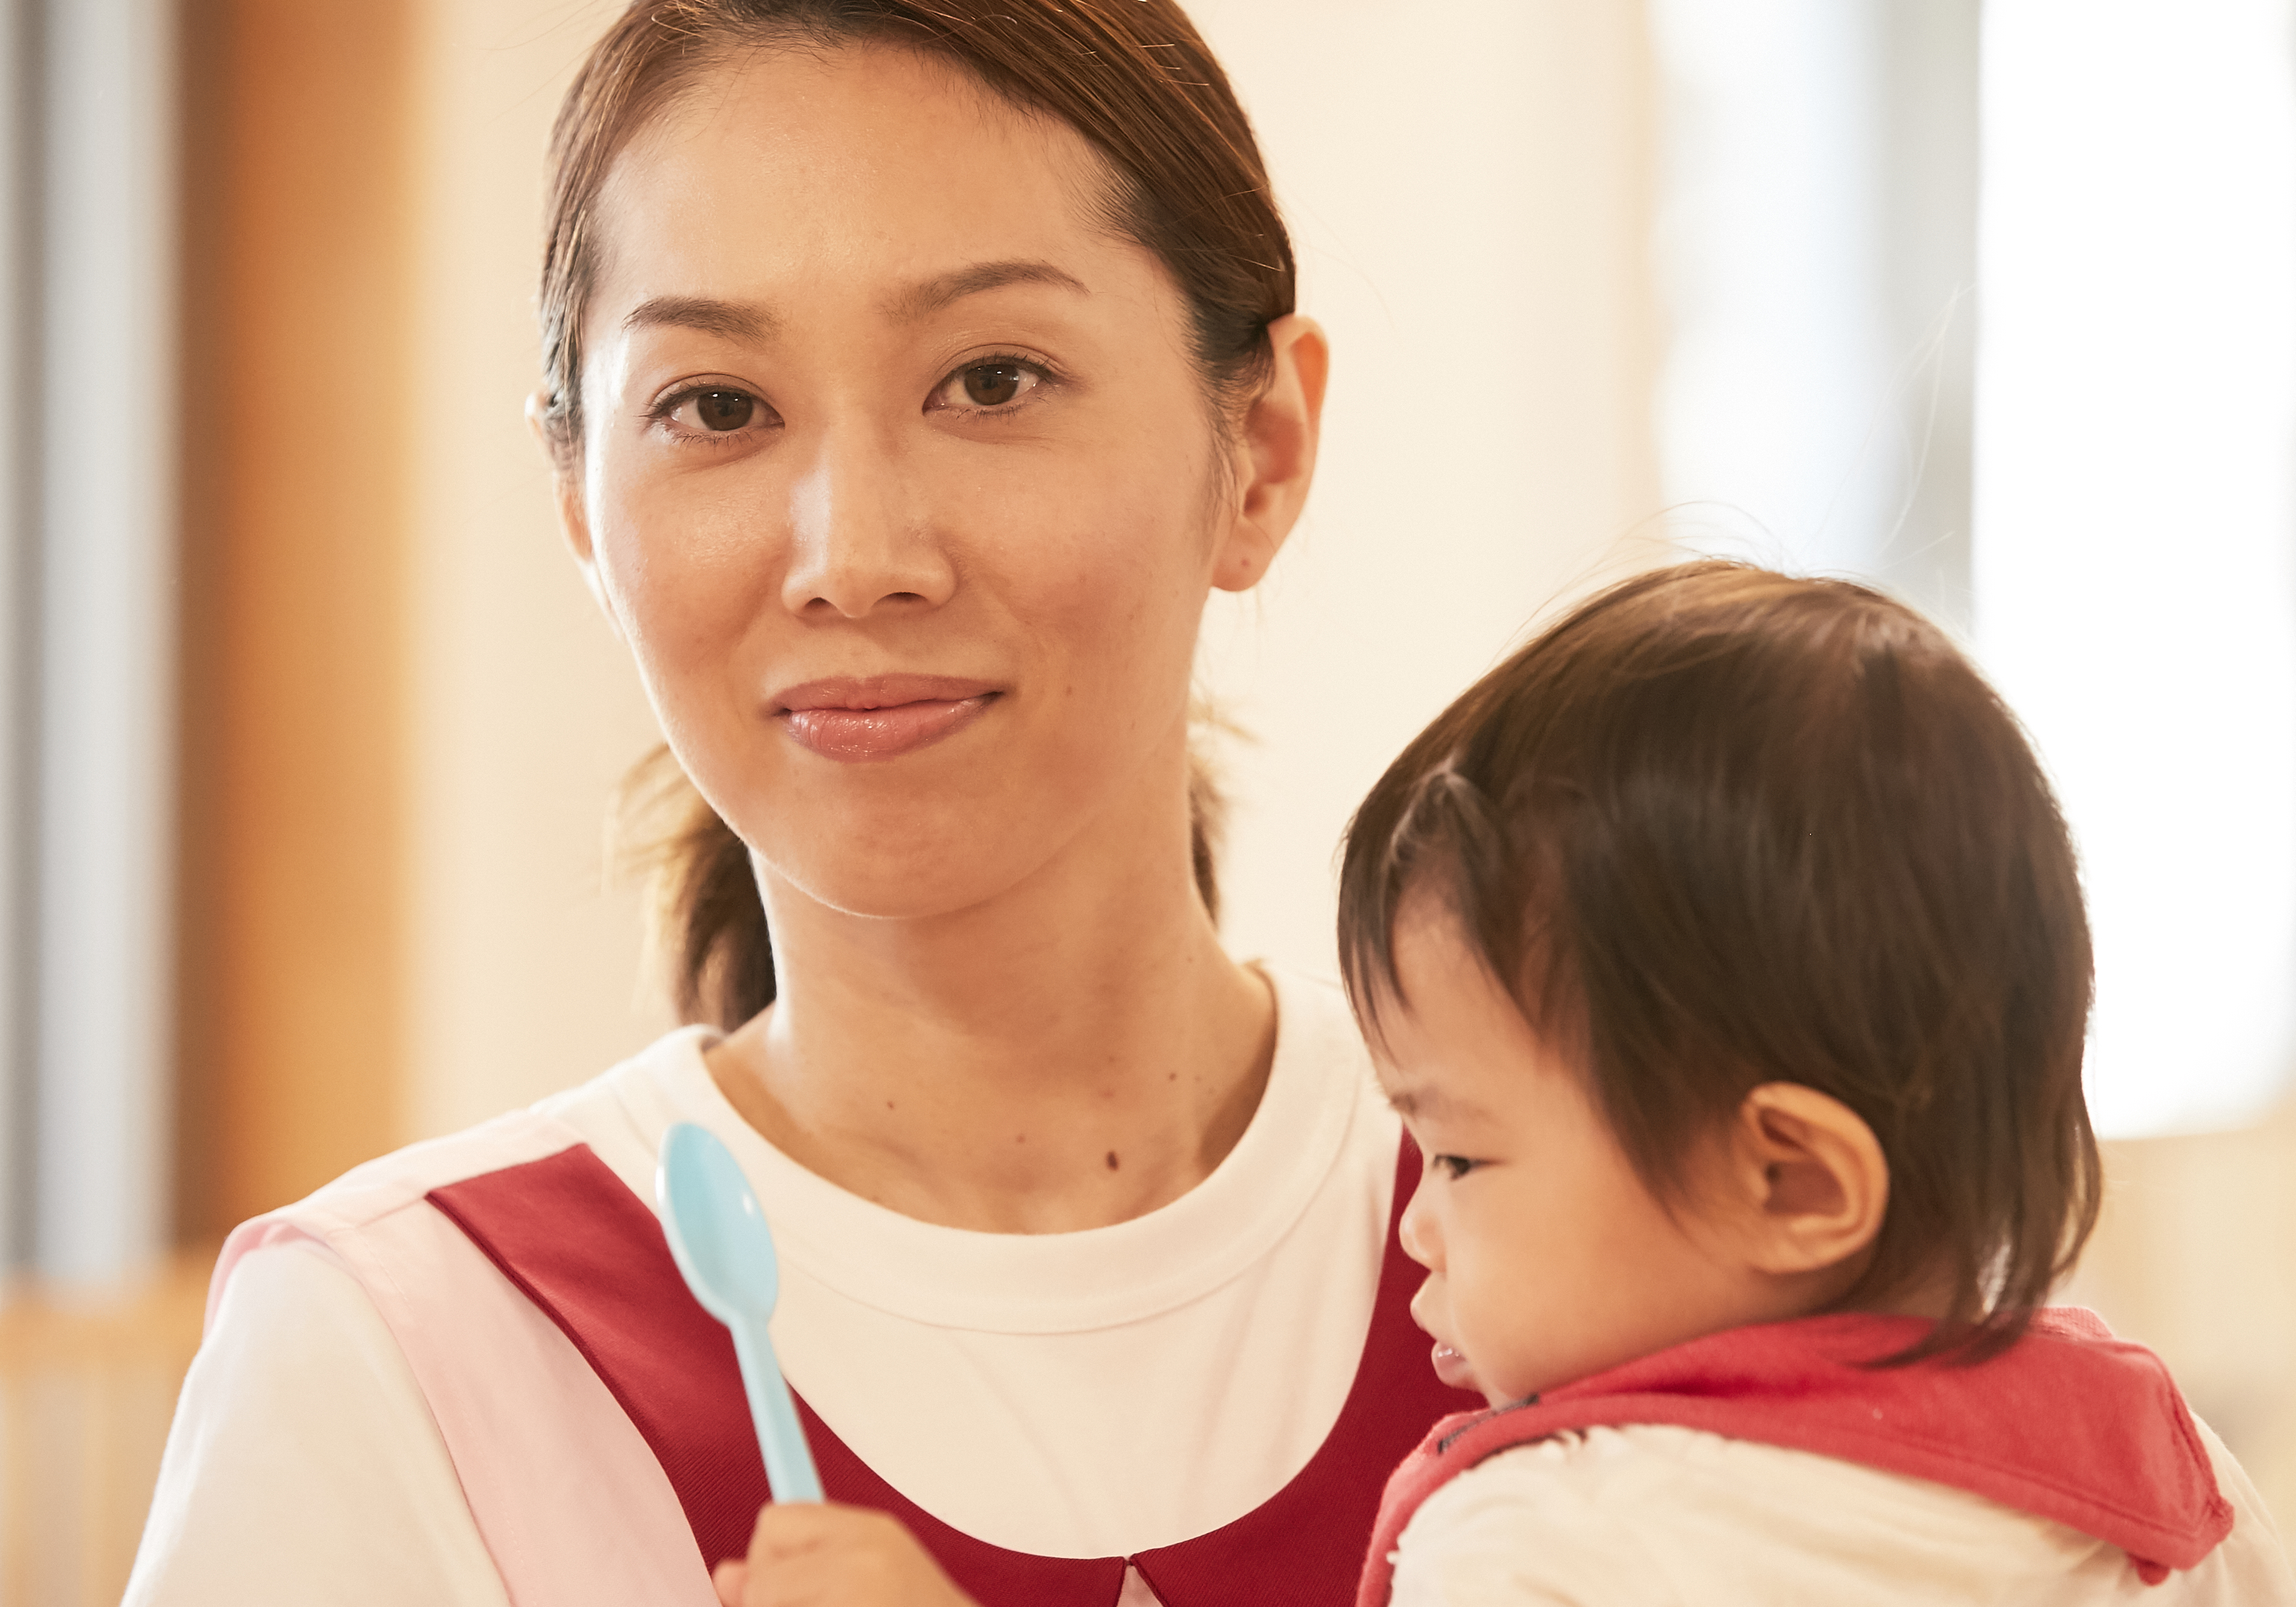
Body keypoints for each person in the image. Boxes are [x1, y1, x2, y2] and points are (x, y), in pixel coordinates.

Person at [123, 4, 1481, 1605]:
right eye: (715, 407)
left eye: (991, 379)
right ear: (581, 508)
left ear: (1256, 452)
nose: (853, 556)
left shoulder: (1593, 1241)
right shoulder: (411, 1352)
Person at [1332, 562, 2296, 1603]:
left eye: (1458, 1156)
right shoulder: (2178, 1495)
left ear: (1792, 1182)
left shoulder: (1534, 1544)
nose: (1416, 1226)